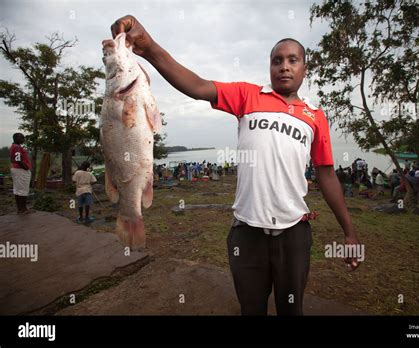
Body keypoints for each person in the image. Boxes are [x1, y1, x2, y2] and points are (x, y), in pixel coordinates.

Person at [110, 15, 361, 316]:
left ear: (304, 68)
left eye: (293, 60)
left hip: (294, 233)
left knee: (292, 310)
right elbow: (197, 85)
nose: (284, 66)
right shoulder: (248, 95)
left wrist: (349, 232)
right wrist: (149, 47)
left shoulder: (315, 116)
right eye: (277, 60)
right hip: (246, 233)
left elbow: (327, 175)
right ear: (269, 67)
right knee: (250, 309)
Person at [9, 133, 34, 214]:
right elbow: (17, 159)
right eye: (21, 138)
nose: (23, 139)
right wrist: (26, 167)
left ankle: (20, 209)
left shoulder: (14, 146)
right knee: (23, 190)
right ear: (16, 138)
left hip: (16, 169)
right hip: (20, 170)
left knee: (17, 190)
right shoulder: (17, 147)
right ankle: (23, 209)